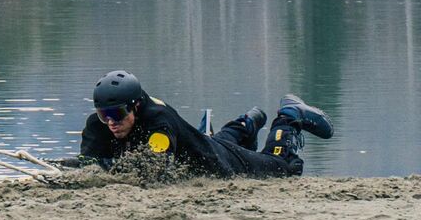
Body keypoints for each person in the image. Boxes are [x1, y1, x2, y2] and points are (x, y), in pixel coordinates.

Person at [79, 69, 332, 178]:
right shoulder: (97, 125)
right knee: (210, 141)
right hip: (201, 144)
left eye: (117, 114)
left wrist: (106, 166)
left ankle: (288, 116)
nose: (111, 122)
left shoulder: (159, 123)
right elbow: (87, 164)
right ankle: (246, 124)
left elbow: (151, 168)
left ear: (135, 106)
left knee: (283, 169)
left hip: (218, 162)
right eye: (104, 115)